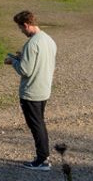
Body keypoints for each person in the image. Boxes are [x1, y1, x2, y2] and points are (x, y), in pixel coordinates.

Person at [5, 10, 57, 171]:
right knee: (39, 123)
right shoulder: (48, 40)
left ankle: (42, 160)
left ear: (26, 25)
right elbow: (39, 61)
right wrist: (22, 57)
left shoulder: (32, 43)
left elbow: (25, 70)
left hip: (31, 92)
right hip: (44, 89)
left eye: (21, 28)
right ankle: (44, 156)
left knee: (36, 126)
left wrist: (12, 61)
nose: (21, 31)